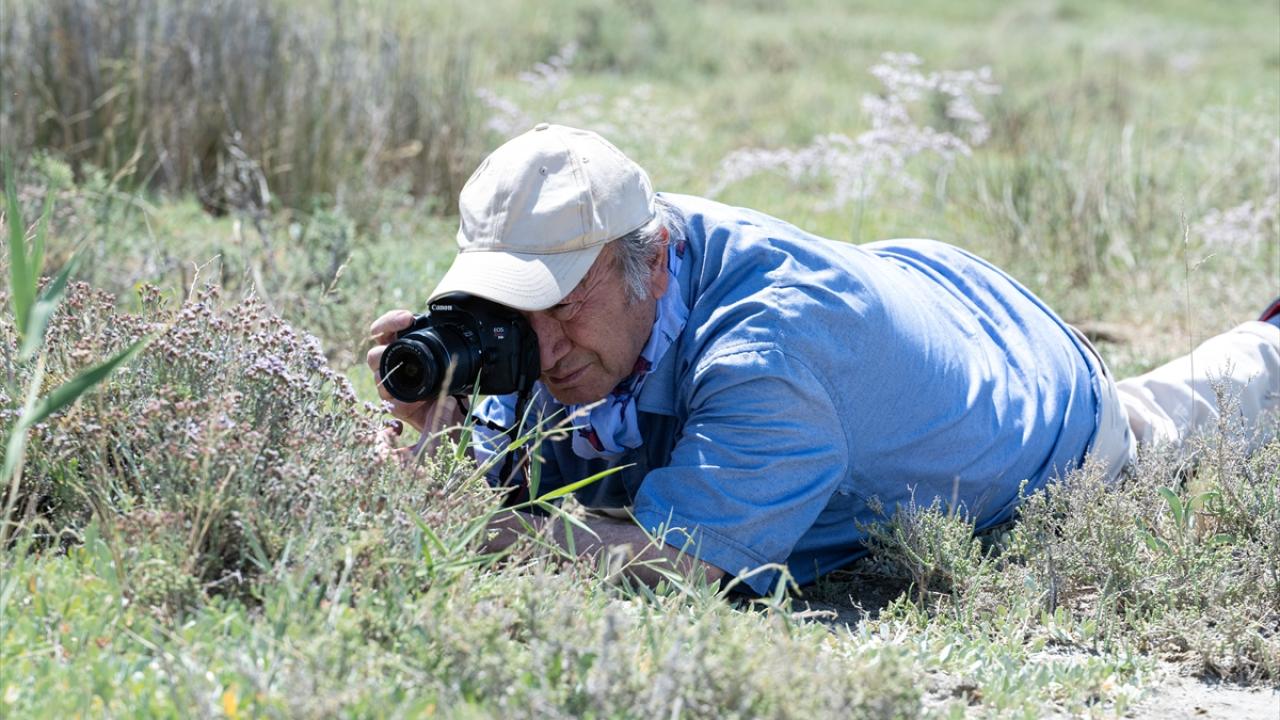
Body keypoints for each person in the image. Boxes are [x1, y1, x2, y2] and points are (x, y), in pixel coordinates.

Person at [368, 123, 1280, 594]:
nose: (545, 339)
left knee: (1178, 421)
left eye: (563, 301)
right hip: (916, 294)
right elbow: (538, 471)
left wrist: (471, 526)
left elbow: (675, 562)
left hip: (1045, 417)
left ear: (641, 260)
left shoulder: (768, 350)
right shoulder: (613, 254)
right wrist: (445, 431)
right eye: (514, 304)